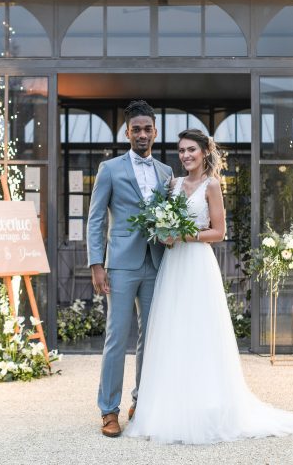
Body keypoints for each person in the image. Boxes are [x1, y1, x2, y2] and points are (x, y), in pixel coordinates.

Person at [124, 129, 293, 444]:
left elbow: (219, 232)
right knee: (173, 330)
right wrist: (163, 230)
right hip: (173, 266)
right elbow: (159, 222)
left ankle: (207, 405)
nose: (186, 156)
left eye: (192, 150)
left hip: (197, 263)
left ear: (204, 153)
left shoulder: (212, 186)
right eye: (182, 150)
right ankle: (169, 406)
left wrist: (183, 234)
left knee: (201, 330)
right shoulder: (172, 185)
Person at [86, 100, 173, 438]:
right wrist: (97, 264)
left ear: (155, 132)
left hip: (156, 263)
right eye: (135, 128)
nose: (141, 134)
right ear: (127, 132)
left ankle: (143, 400)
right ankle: (109, 410)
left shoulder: (166, 173)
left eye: (147, 128)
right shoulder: (109, 169)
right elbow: (95, 219)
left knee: (152, 339)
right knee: (116, 338)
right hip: (120, 265)